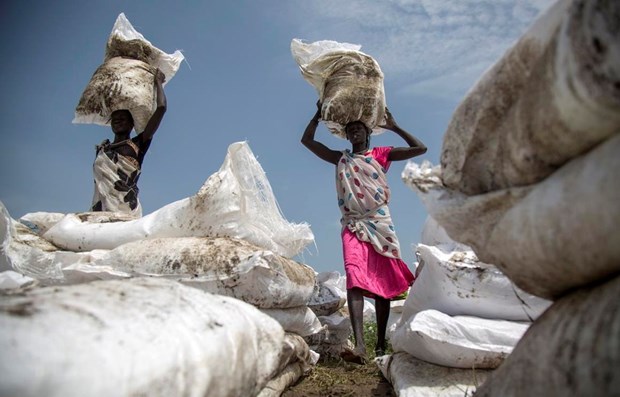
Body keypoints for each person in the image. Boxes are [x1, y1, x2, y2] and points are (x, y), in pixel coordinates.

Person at [301, 102, 426, 364]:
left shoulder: (381, 154)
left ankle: (380, 345)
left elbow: (420, 148)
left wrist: (394, 127)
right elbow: (307, 141)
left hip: (380, 224)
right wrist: (316, 116)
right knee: (354, 275)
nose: (355, 132)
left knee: (382, 284)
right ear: (347, 136)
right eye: (351, 130)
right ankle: (360, 346)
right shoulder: (341, 158)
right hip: (353, 223)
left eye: (360, 128)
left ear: (367, 134)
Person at [90, 68, 167, 217]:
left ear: (132, 124)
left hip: (125, 207)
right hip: (101, 208)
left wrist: (158, 83)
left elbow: (162, 108)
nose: (117, 120)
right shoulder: (103, 149)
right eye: (115, 118)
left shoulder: (139, 143)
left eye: (123, 118)